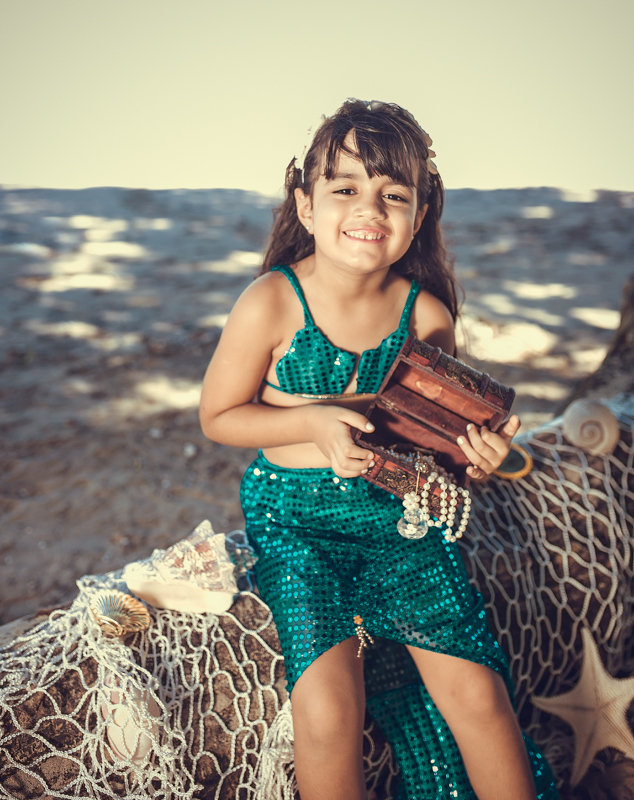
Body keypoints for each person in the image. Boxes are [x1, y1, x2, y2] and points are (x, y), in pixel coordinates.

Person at [199, 99, 558, 800]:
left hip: (402, 523)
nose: (370, 208)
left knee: (479, 699)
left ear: (418, 216)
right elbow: (220, 415)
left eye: (394, 194)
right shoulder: (270, 302)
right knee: (329, 709)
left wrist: (472, 460)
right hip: (298, 525)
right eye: (345, 188)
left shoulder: (425, 317)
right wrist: (313, 423)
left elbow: (433, 446)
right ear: (305, 204)